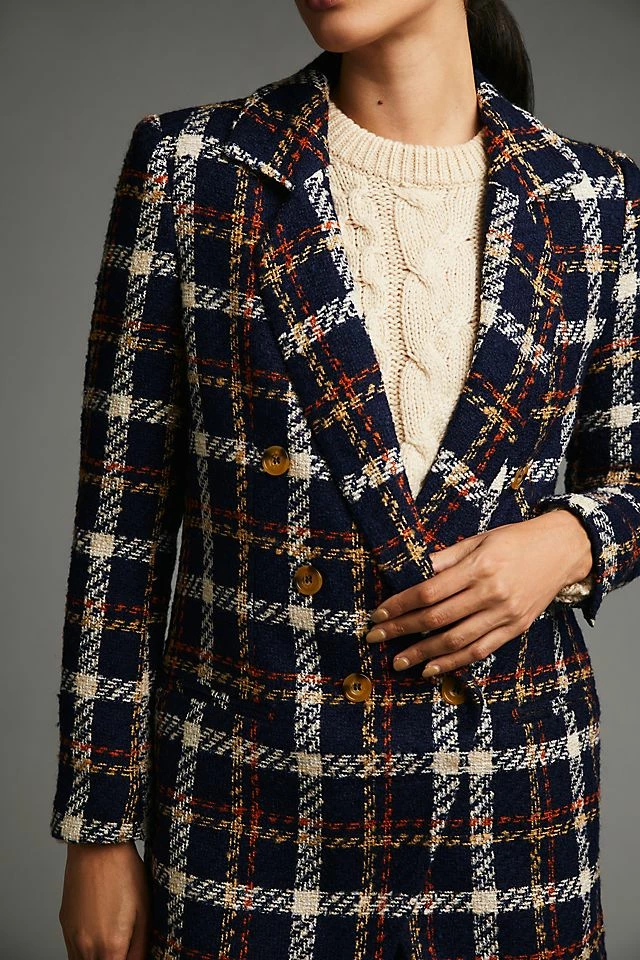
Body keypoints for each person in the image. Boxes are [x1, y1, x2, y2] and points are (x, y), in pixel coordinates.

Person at [51, 1, 640, 957]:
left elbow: (632, 477)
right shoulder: (196, 168)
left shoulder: (595, 198)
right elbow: (120, 531)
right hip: (249, 806)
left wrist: (569, 543)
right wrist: (98, 828)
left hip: (510, 804)